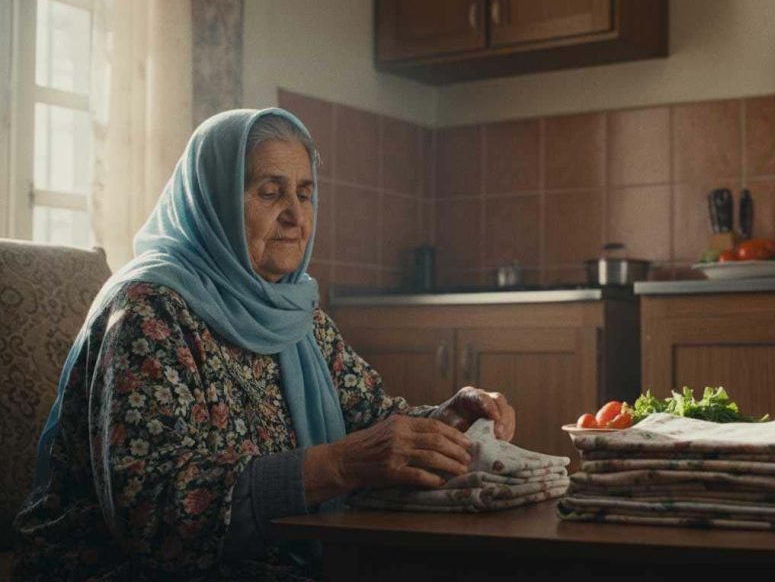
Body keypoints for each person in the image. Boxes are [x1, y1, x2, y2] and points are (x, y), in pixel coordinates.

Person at [13, 108, 517, 581]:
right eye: (270, 192)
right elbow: (156, 513)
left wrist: (447, 420)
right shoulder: (148, 310)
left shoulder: (294, 311)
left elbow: (370, 419)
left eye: (305, 193)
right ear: (212, 202)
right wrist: (338, 465)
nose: (296, 215)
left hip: (273, 556)